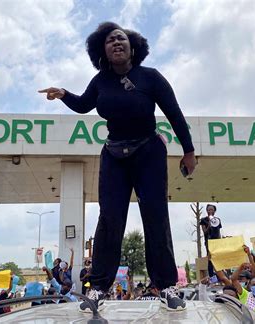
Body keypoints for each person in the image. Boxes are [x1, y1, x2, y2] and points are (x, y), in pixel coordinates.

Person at [39, 21, 196, 313]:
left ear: (133, 47)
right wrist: (63, 93)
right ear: (104, 51)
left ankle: (167, 286)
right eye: (110, 40)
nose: (116, 43)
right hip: (114, 154)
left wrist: (188, 151)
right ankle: (98, 287)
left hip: (149, 151)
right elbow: (85, 104)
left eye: (121, 38)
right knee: (110, 220)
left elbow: (174, 113)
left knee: (155, 216)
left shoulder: (151, 77)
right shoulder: (100, 81)